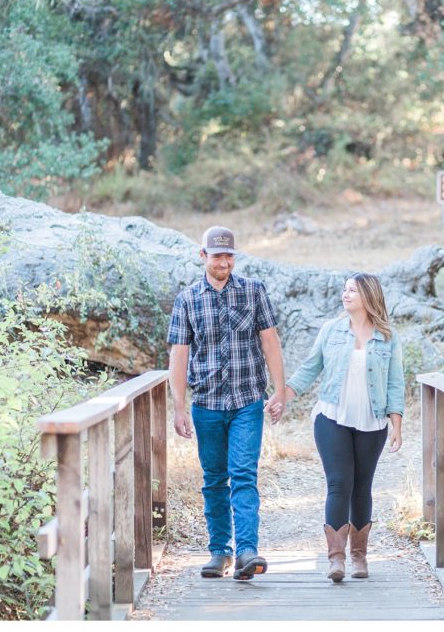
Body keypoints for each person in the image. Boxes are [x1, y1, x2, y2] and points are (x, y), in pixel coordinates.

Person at [168, 226, 287, 580]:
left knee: (244, 475)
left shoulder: (253, 291)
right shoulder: (187, 300)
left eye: (229, 255)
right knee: (214, 479)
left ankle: (247, 551)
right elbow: (179, 355)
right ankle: (219, 552)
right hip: (206, 404)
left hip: (247, 400)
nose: (223, 261)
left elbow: (270, 343)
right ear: (202, 256)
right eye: (217, 255)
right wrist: (179, 406)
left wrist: (280, 390)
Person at [269, 273, 404, 582]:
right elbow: (310, 367)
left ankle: (359, 557)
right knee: (339, 484)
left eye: (352, 291)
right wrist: (284, 395)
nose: (345, 295)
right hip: (331, 418)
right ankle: (337, 559)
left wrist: (396, 425)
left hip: (372, 422)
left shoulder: (388, 337)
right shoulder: (330, 331)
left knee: (362, 488)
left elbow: (395, 384)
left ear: (369, 296)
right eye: (344, 290)